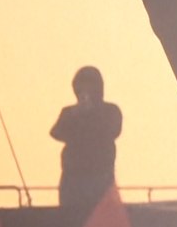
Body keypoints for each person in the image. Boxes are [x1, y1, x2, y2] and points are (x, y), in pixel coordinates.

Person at [49, 66, 122, 209]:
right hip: (73, 178)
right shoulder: (69, 112)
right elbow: (56, 132)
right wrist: (76, 115)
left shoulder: (110, 110)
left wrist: (92, 114)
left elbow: (114, 130)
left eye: (90, 85)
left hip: (101, 176)